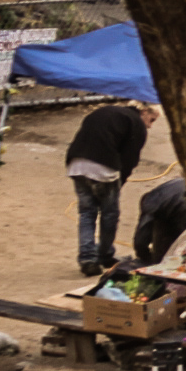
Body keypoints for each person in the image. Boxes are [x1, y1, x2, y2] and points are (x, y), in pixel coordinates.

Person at [65, 101, 155, 276]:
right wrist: (120, 182)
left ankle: (87, 258)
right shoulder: (136, 124)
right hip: (104, 168)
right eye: (151, 120)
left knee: (87, 213)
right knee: (109, 214)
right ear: (144, 111)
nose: (150, 126)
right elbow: (129, 159)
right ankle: (104, 254)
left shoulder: (105, 111)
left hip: (76, 164)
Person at [130, 175, 186, 266]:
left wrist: (147, 259)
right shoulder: (155, 198)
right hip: (185, 193)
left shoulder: (150, 206)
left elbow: (140, 242)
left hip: (184, 205)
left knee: (182, 243)